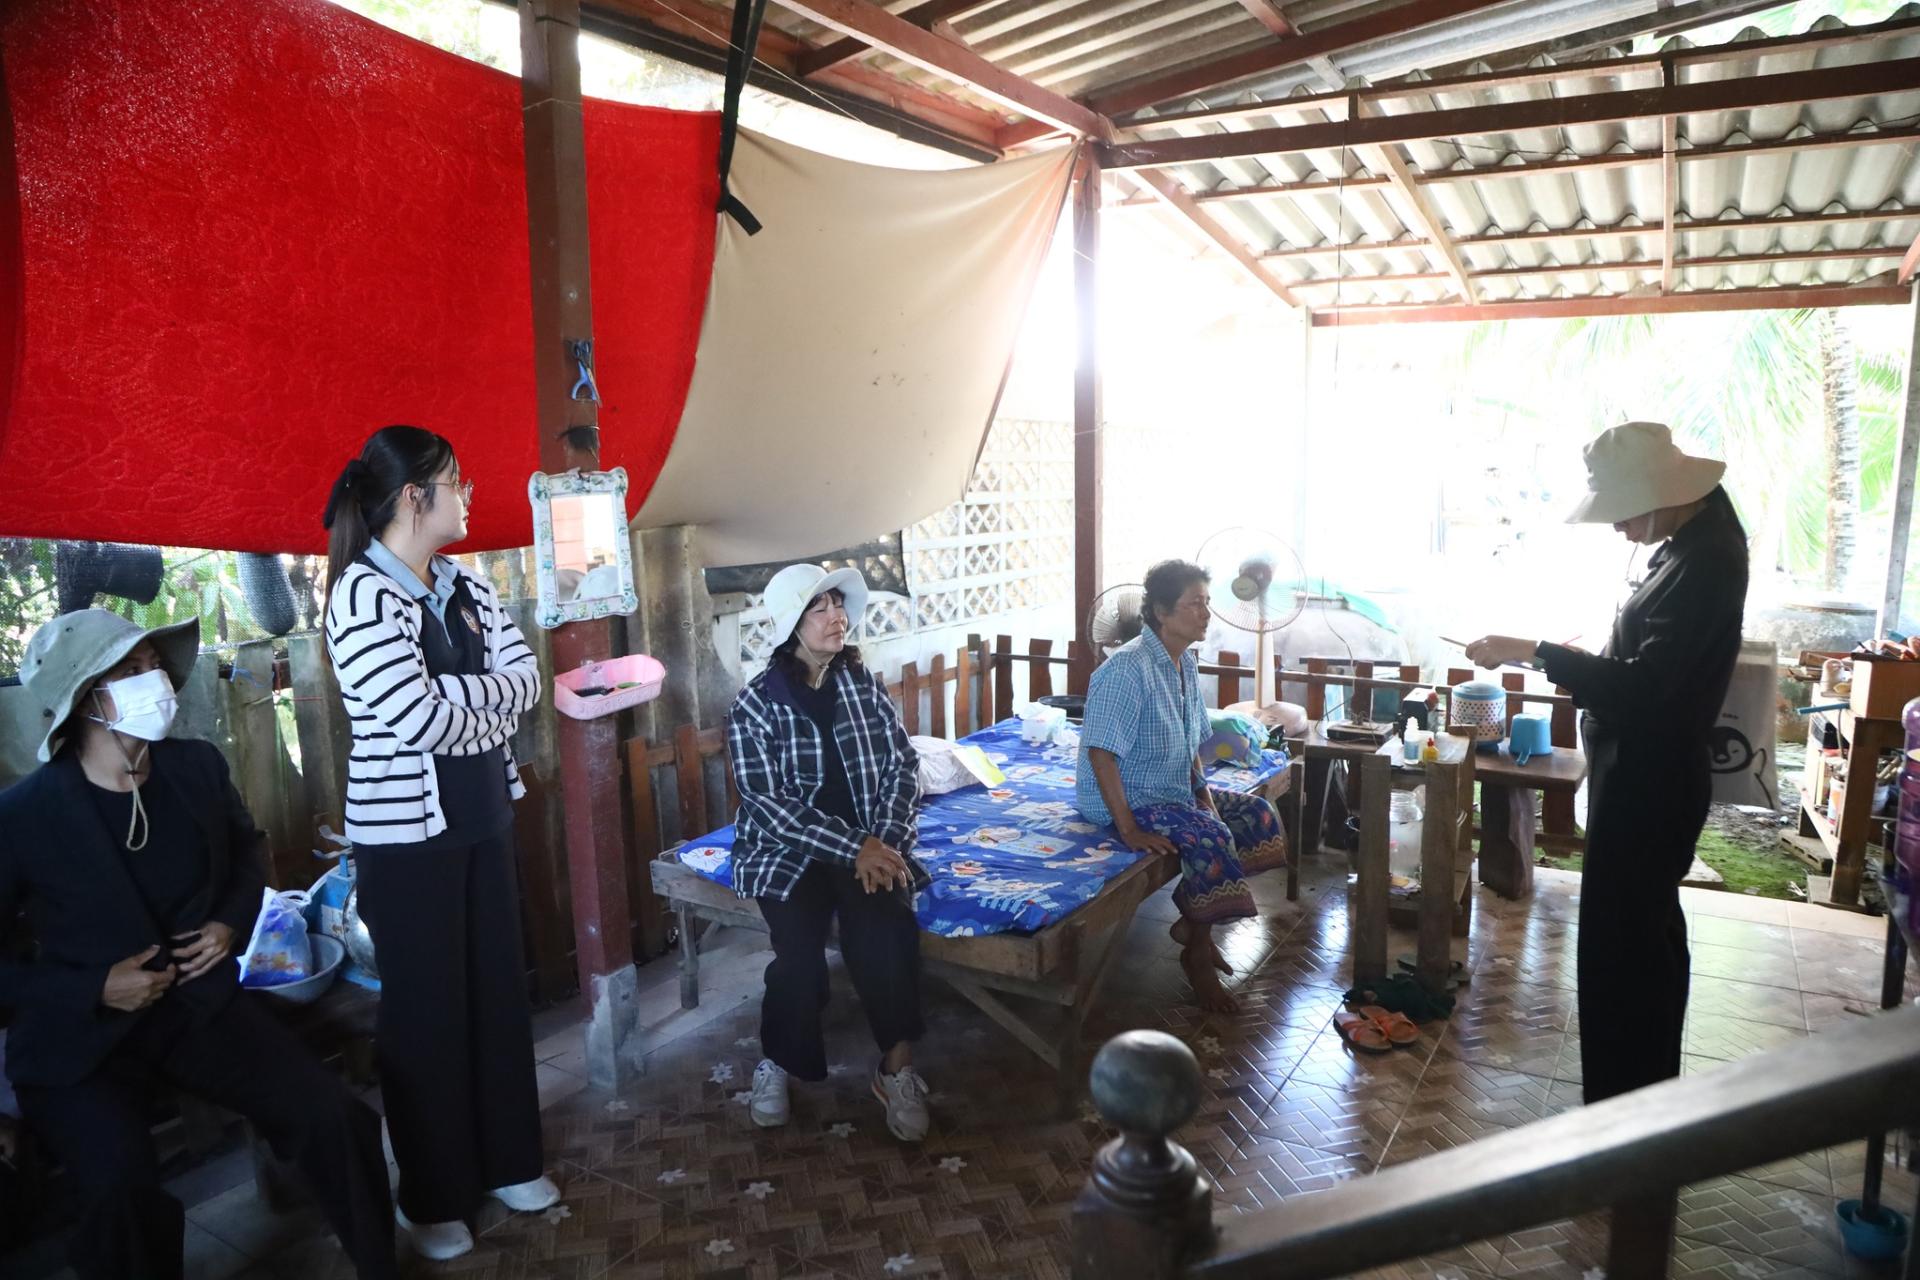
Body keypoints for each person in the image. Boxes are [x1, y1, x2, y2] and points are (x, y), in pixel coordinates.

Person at [0, 610, 395, 1280]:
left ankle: (381, 1267)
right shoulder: (24, 817)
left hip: (197, 1008)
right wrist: (94, 986)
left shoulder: (194, 768)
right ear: (86, 699)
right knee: (120, 1193)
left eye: (154, 663)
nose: (154, 679)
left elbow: (246, 851)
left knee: (333, 1117)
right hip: (83, 1037)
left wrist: (228, 924)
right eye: (130, 670)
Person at [321, 425, 558, 1260]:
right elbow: (413, 718)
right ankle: (431, 1197)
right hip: (405, 845)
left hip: (483, 818)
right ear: (415, 496)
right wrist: (484, 699)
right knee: (426, 1018)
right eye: (458, 481)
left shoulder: (469, 584)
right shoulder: (359, 596)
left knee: (496, 997)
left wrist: (466, 698)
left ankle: (510, 1161)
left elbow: (528, 682)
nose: (470, 495)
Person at [1465, 421, 1748, 1103]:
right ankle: (1632, 1098)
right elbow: (1653, 662)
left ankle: (1630, 1106)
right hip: (1640, 771)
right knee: (1631, 941)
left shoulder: (1707, 559)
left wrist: (1535, 651)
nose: (1618, 528)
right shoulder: (1688, 543)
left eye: (1622, 513)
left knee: (1630, 949)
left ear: (1659, 493)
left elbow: (1648, 687)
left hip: (1652, 781)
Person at [725, 564, 930, 1142]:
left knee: (887, 929)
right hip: (790, 852)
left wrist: (885, 842)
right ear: (792, 623)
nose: (837, 616)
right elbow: (769, 805)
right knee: (798, 955)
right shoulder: (756, 705)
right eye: (820, 608)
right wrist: (855, 846)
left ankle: (896, 1070)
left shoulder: (862, 686)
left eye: (839, 604)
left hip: (870, 842)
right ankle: (778, 1061)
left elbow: (901, 765)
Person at [1076, 560, 1289, 1014]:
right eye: (1195, 604)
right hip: (1129, 797)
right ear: (1161, 611)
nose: (1206, 614)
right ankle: (1197, 955)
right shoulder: (1125, 670)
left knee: (1257, 815)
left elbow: (1192, 741)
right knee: (1211, 835)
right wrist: (1128, 828)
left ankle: (1192, 925)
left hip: (1170, 789)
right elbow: (1101, 755)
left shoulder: (1184, 664)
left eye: (1206, 603)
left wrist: (1204, 796)